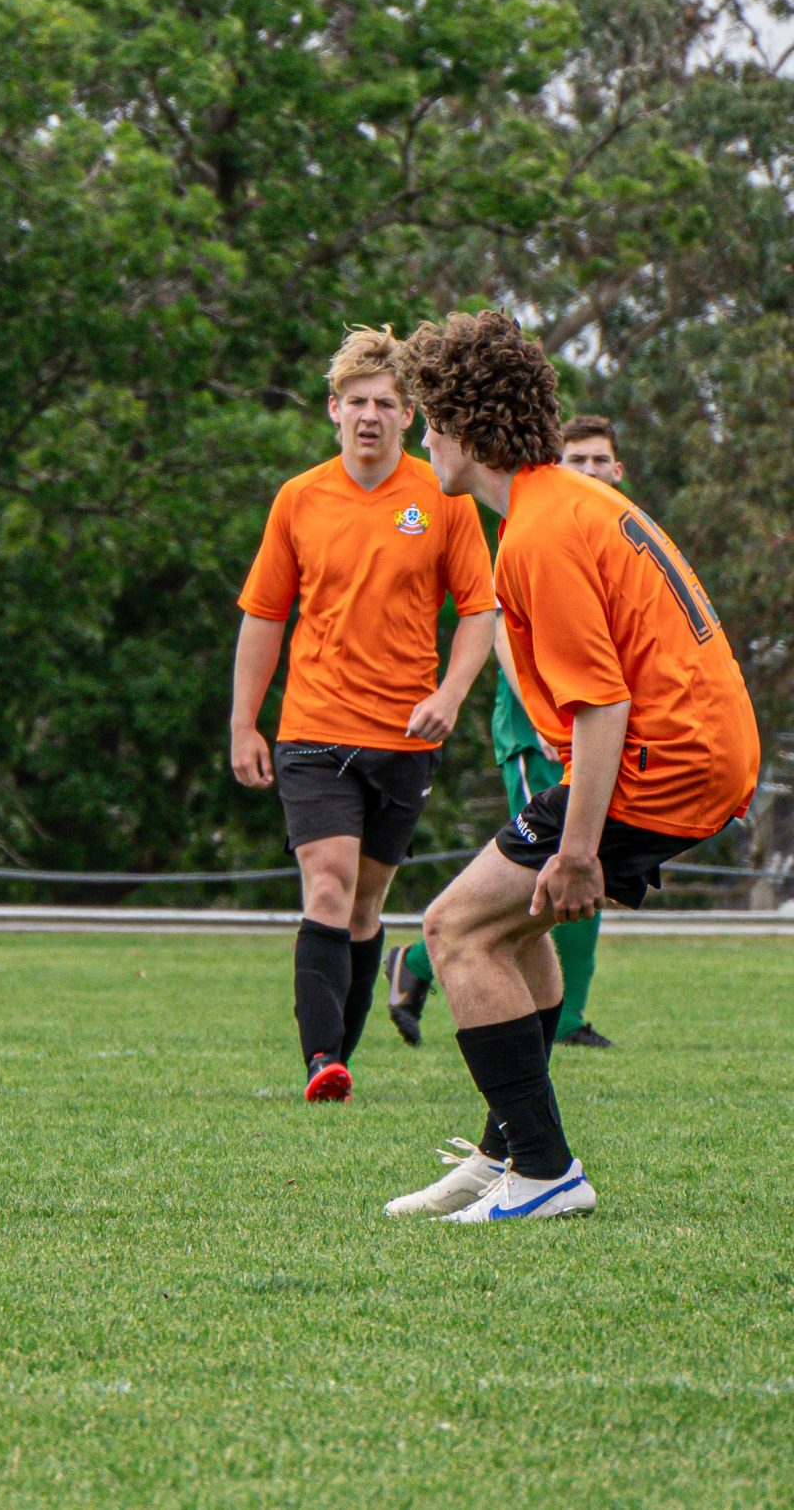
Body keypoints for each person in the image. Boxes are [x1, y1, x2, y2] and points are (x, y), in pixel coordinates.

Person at [384, 313, 756, 1222]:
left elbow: (605, 705)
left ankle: (546, 1172)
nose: (423, 435)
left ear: (466, 430)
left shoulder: (539, 533)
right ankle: (500, 1154)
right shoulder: (564, 504)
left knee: (454, 930)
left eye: (429, 418)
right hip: (695, 752)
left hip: (662, 761)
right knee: (513, 929)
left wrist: (579, 848)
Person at [230, 327, 498, 1102]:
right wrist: (245, 722)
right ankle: (321, 1062)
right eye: (356, 403)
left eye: (385, 402)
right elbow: (263, 615)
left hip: (404, 736)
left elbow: (479, 610)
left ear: (409, 415)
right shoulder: (299, 499)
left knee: (366, 903)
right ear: (332, 411)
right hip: (313, 730)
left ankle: (338, 1060)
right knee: (328, 884)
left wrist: (449, 697)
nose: (370, 415)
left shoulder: (441, 499)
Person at [387, 415, 631, 1049]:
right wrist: (549, 719)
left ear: (618, 470)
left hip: (593, 728)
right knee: (548, 871)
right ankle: (429, 961)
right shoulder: (531, 529)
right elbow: (502, 632)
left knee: (574, 872)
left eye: (600, 460)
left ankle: (431, 966)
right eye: (576, 458)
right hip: (540, 735)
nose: (589, 470)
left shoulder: (598, 528)